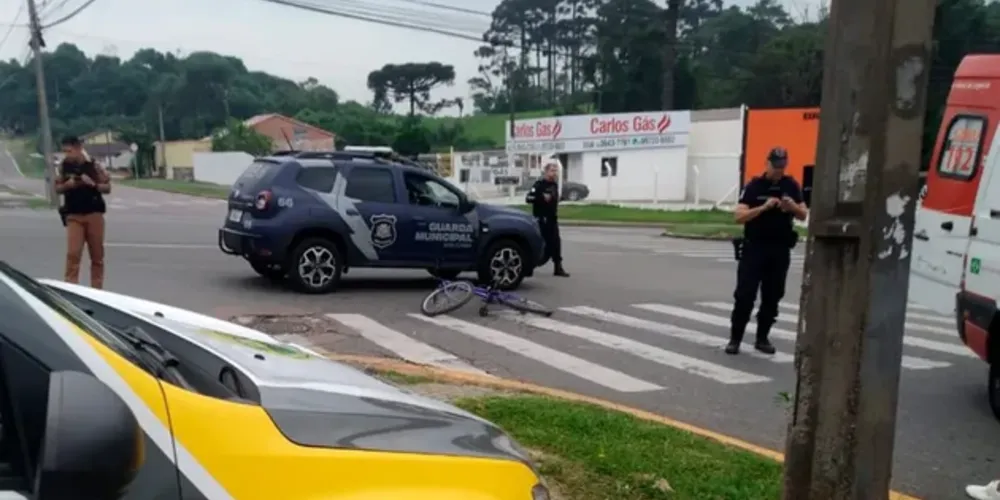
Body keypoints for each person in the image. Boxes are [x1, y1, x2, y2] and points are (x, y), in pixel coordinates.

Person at [726, 146, 807, 355]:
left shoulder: (791, 185)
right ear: (767, 163)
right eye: (775, 166)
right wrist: (763, 208)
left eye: (782, 166)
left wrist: (791, 207)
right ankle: (735, 339)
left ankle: (762, 338)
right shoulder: (754, 186)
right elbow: (739, 216)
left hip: (779, 249)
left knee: (773, 296)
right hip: (755, 248)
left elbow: (803, 214)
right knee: (745, 295)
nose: (779, 170)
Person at [56, 135, 111, 289]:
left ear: (79, 149)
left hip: (94, 213)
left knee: (97, 256)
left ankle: (97, 290)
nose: (67, 155)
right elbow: (57, 188)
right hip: (74, 214)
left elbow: (107, 187)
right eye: (65, 151)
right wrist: (68, 185)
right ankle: (71, 287)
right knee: (73, 254)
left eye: (69, 151)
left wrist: (93, 184)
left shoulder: (94, 165)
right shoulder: (63, 166)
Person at [526, 162, 569, 277]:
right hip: (542, 220)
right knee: (543, 245)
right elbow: (529, 198)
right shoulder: (539, 184)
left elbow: (554, 199)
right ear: (546, 172)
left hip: (552, 218)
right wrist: (541, 197)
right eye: (552, 171)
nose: (554, 173)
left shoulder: (554, 185)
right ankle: (529, 265)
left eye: (556, 171)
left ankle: (558, 267)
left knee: (556, 243)